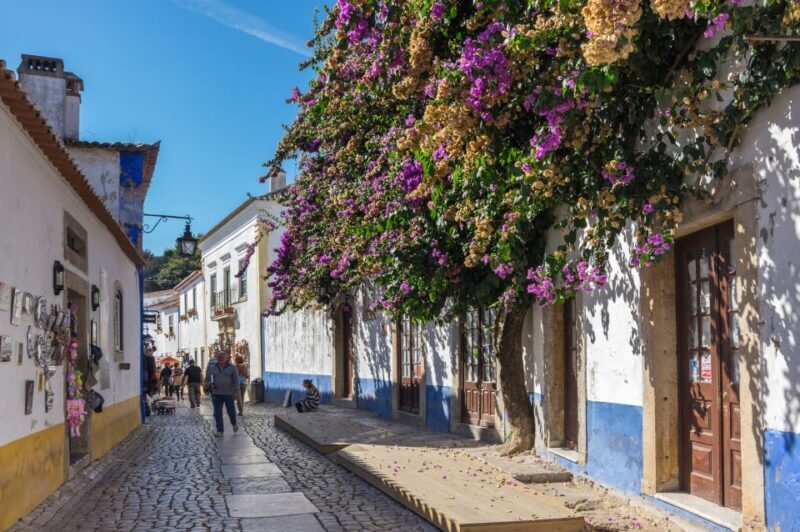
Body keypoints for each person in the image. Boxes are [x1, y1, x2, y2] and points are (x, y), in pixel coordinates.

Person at [205, 351, 240, 436]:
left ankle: (234, 423)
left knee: (231, 411)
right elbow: (207, 380)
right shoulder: (212, 368)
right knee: (217, 412)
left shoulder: (232, 368)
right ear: (217, 358)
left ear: (226, 358)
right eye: (219, 357)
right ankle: (220, 430)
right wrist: (210, 384)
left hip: (229, 393)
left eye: (222, 357)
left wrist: (236, 391)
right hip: (216, 394)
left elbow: (236, 380)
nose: (220, 358)